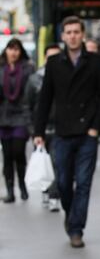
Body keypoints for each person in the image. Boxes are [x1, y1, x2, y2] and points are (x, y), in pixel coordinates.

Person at [34, 16, 100, 248]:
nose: (73, 36)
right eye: (69, 32)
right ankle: (70, 212)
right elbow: (45, 99)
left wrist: (96, 128)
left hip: (88, 133)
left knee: (83, 182)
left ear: (82, 34)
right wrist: (39, 131)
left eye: (77, 31)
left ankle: (76, 229)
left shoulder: (95, 61)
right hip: (63, 131)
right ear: (63, 36)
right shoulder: (54, 63)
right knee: (64, 182)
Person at [25, 42, 61, 212]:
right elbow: (29, 105)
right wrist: (33, 129)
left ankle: (54, 195)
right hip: (41, 128)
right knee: (44, 161)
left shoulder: (66, 77)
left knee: (56, 163)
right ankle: (46, 190)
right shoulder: (34, 79)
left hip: (61, 127)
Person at [0, 38, 34, 203]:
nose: (13, 52)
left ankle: (22, 184)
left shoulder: (28, 69)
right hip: (3, 117)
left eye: (16, 49)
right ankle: (10, 190)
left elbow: (32, 92)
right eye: (10, 49)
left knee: (18, 152)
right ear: (6, 51)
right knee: (6, 156)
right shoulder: (1, 69)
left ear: (20, 52)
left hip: (22, 115)